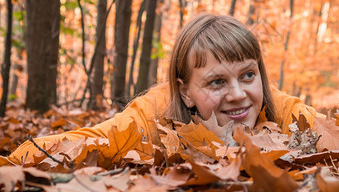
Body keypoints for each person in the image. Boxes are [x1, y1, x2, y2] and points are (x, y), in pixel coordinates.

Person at [4, 13, 320, 165]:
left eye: (248, 75)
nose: (238, 94)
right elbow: (60, 145)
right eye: (216, 82)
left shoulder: (280, 108)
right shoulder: (153, 115)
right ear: (184, 92)